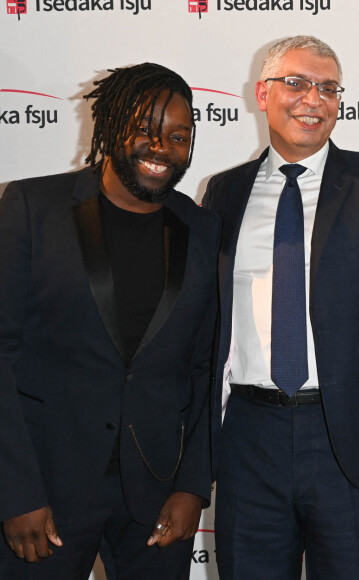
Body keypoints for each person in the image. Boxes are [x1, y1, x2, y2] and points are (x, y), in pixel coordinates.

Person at [202, 35, 359, 579]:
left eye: (328, 88)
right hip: (246, 439)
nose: (314, 98)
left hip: (352, 444)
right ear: (262, 93)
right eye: (297, 83)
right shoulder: (224, 192)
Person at [0, 62, 219, 579]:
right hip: (46, 492)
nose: (160, 146)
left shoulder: (202, 228)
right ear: (111, 124)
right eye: (144, 128)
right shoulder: (33, 206)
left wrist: (193, 485)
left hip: (158, 493)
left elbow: (207, 366)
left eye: (178, 135)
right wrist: (15, 491)